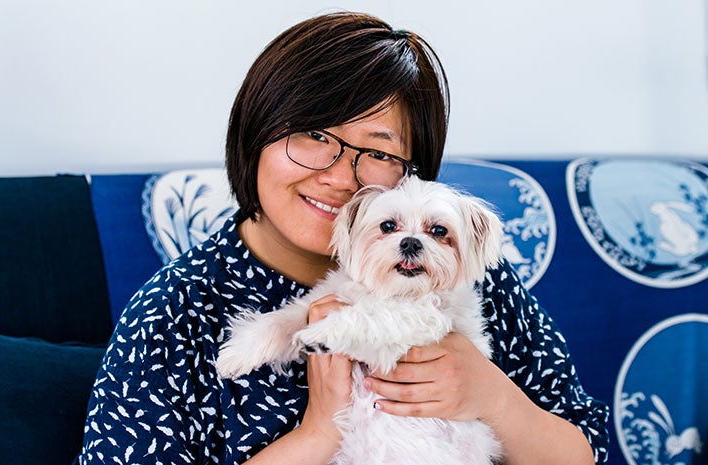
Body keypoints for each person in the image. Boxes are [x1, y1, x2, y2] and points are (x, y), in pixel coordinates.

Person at [74, 11, 609, 465]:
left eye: (377, 151)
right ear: (256, 132)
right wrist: (319, 433)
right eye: (313, 134)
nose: (339, 176)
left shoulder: (467, 275)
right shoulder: (177, 312)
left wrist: (496, 400)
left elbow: (589, 452)